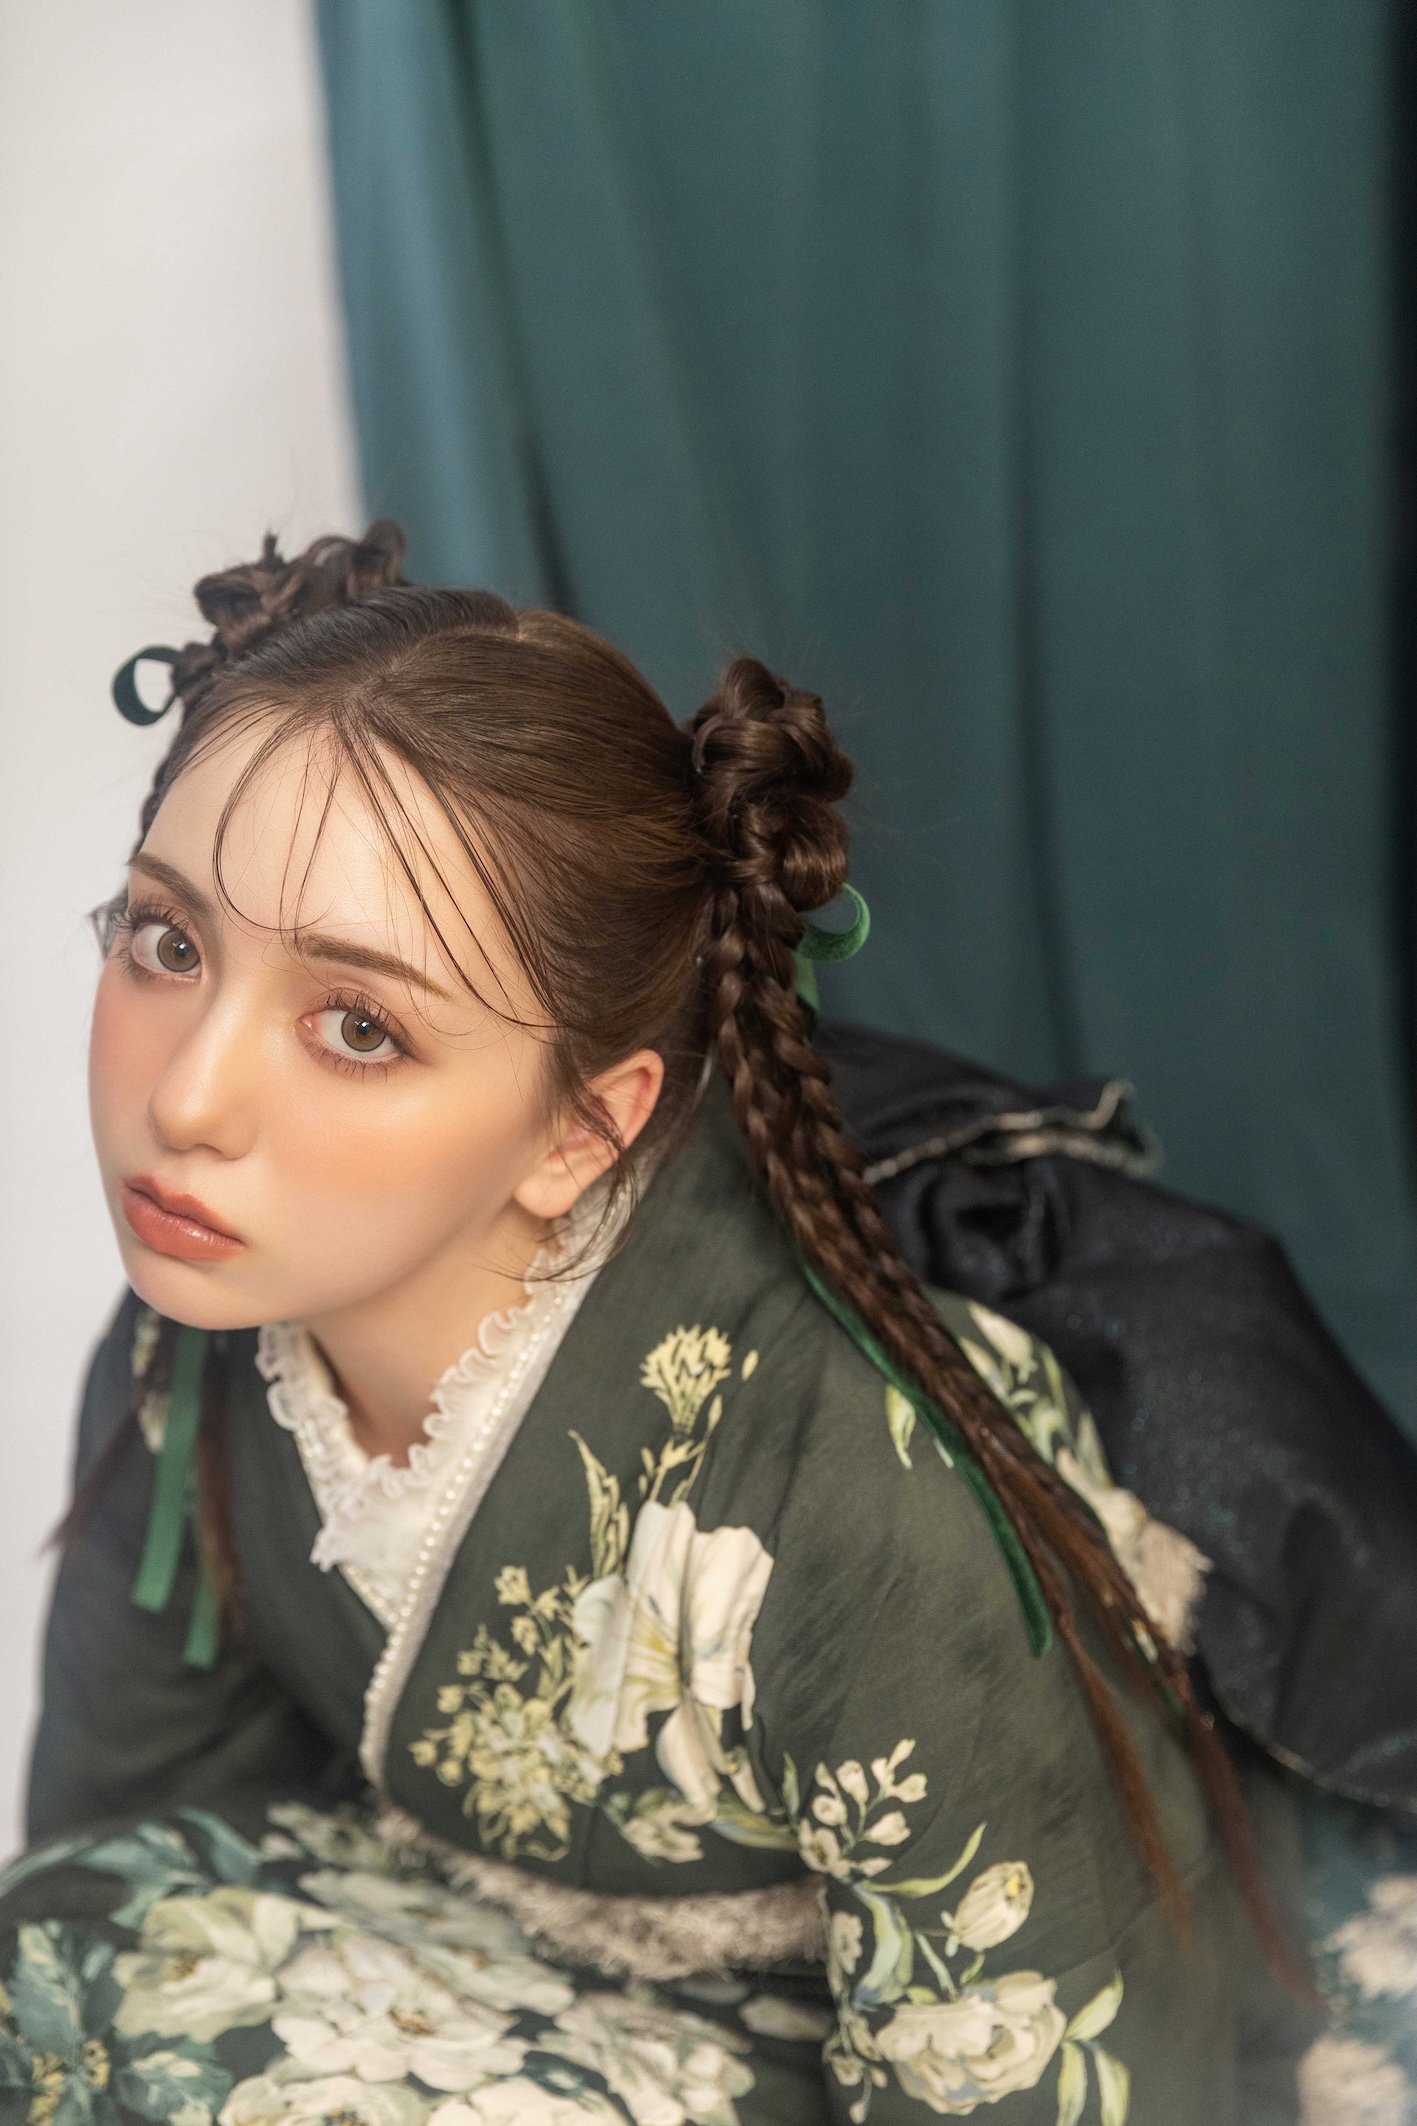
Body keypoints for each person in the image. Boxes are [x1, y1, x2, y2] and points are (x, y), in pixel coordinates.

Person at [6, 526, 1318, 2126]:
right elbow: (118, 1848)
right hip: (478, 1948)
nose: (186, 1098)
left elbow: (1051, 2066)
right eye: (167, 941)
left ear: (585, 1130)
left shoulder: (854, 1485)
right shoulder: (202, 1340)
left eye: (356, 1025)